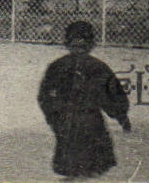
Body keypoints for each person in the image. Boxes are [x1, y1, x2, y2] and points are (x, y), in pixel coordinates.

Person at [37, 20, 131, 179]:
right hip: (90, 123)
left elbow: (45, 97)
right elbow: (113, 96)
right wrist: (121, 116)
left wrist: (53, 117)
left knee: (73, 165)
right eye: (76, 45)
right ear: (92, 44)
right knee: (89, 167)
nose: (79, 50)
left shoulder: (58, 66)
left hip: (67, 123)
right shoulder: (97, 66)